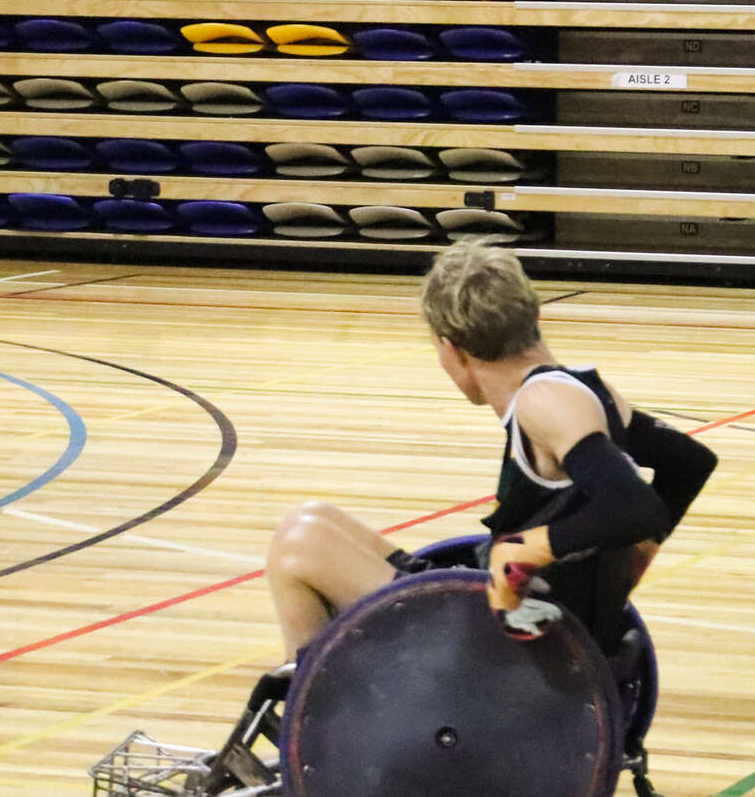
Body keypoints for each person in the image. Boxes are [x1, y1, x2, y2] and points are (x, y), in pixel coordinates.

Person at [265, 241, 715, 656]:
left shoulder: (543, 401)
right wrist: (624, 571)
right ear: (531, 314)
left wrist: (523, 550)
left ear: (452, 349)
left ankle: (309, 723)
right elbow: (689, 464)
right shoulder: (584, 389)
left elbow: (635, 506)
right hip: (517, 602)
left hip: (499, 636)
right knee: (314, 519)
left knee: (297, 547)